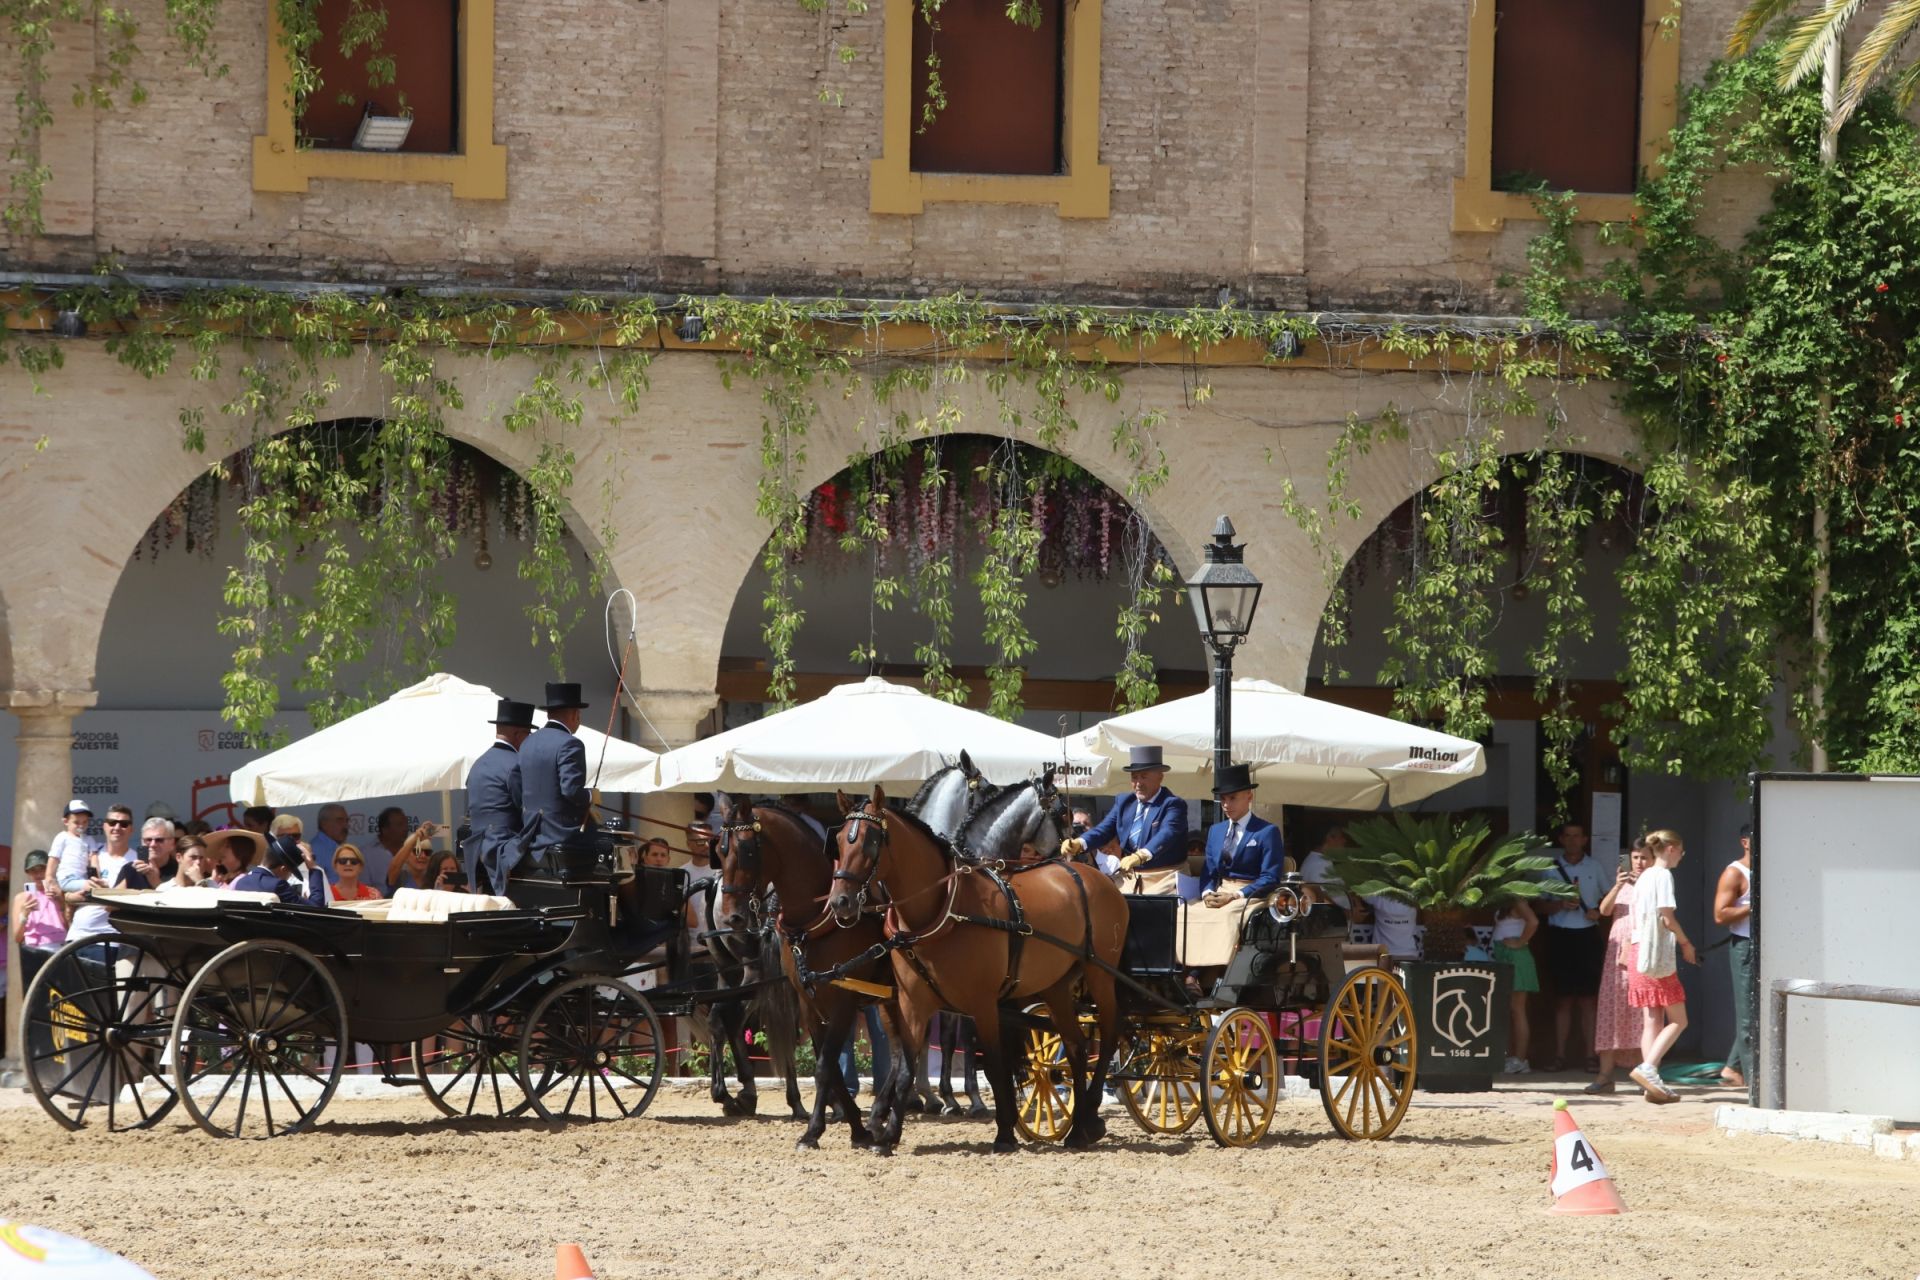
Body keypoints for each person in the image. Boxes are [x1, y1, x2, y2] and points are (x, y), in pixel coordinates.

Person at [1627, 829, 1697, 1104]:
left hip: (1637, 950)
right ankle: (1648, 1068)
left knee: (1652, 1019)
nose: (1681, 856)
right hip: (1656, 954)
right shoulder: (1663, 875)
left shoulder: (1644, 878)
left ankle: (1650, 1083)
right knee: (1679, 1019)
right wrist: (1686, 943)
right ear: (1671, 848)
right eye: (1681, 851)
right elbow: (1666, 917)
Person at [1061, 745, 1188, 894]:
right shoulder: (1124, 802)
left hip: (1165, 877)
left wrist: (1142, 855)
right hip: (1130, 877)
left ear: (1160, 777)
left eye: (1144, 776)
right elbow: (1104, 830)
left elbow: (1167, 834)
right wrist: (1080, 843)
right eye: (1134, 777)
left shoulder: (1172, 804)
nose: (1138, 783)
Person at [1540, 821, 1609, 1071]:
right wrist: (1559, 904)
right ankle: (1559, 1056)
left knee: (1588, 1000)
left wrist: (1598, 913)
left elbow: (1609, 898)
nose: (1572, 840)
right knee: (1563, 1000)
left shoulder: (1594, 866)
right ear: (1561, 839)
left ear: (1584, 839)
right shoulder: (1550, 869)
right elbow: (1539, 905)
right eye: (1567, 836)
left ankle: (1591, 1056)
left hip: (1587, 936)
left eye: (1576, 836)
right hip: (1560, 936)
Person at [1587, 838, 1651, 1094]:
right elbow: (1604, 910)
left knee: (1641, 1013)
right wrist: (1617, 885)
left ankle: (1642, 1075)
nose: (1638, 862)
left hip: (1641, 952)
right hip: (1616, 956)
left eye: (1644, 857)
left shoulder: (1654, 883)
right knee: (1611, 1011)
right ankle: (1605, 1076)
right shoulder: (1622, 886)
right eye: (1635, 857)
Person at [518, 681, 596, 872]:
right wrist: (592, 795)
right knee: (604, 843)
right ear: (574, 714)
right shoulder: (571, 744)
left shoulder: (528, 742)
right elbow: (571, 791)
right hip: (562, 835)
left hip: (531, 834)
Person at [463, 697, 534, 892]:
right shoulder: (515, 765)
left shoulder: (477, 765)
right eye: (529, 733)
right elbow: (527, 808)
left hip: (476, 852)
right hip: (505, 852)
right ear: (519, 734)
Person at [1199, 764, 1286, 906]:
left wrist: (1236, 895)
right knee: (1185, 916)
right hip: (1220, 893)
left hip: (1251, 897)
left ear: (1249, 797)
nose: (1226, 804)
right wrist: (1207, 893)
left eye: (1232, 798)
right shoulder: (1215, 831)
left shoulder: (1267, 832)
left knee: (1226, 919)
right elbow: (1209, 871)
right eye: (1223, 799)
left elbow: (1270, 877)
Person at [57, 802, 137, 942]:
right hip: (76, 937)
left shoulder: (137, 861)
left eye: (124, 824)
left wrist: (105, 893)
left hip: (110, 939)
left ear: (131, 829)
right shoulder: (89, 851)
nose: (117, 827)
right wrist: (69, 897)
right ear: (104, 826)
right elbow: (68, 883)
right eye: (112, 822)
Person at [1713, 824, 1755, 1089]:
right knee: (1748, 1016)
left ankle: (1733, 1067)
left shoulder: (1767, 868)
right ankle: (1754, 1083)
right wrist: (1753, 905)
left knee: (1759, 1011)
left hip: (1765, 945)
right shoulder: (1734, 873)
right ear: (1745, 842)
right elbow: (1720, 914)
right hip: (1745, 945)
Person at [1494, 898, 1540, 1074]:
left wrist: (1520, 942)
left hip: (1516, 957)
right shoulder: (1503, 898)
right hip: (1503, 954)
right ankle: (1511, 1056)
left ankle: (1521, 1060)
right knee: (1509, 1009)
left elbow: (1533, 921)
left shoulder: (1517, 899)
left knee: (1518, 1009)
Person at [12, 850, 68, 990]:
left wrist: (60, 903)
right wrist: (24, 914)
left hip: (59, 948)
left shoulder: (60, 892)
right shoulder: (21, 898)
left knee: (60, 993)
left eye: (42, 869)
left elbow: (70, 927)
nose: (37, 874)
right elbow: (17, 937)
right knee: (37, 995)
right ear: (28, 873)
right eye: (33, 870)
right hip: (33, 951)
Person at [231, 833, 327, 906]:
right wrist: (313, 868)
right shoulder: (278, 885)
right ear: (283, 869)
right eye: (290, 872)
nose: (289, 877)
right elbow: (315, 907)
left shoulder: (241, 882)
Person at [1298, 825, 1354, 910]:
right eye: (1341, 837)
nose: (1344, 841)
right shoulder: (1320, 865)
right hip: (1335, 920)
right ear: (1330, 837)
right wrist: (1348, 915)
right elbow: (1322, 899)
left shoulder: (1316, 860)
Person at [115, 817, 180, 889]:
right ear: (142, 842)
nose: (152, 844)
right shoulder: (130, 869)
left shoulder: (180, 870)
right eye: (148, 840)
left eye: (159, 840)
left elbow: (177, 899)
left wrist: (155, 881)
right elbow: (113, 897)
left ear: (172, 843)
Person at [384, 821, 440, 893]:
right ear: (406, 856)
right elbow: (394, 867)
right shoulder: (399, 877)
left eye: (427, 852)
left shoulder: (433, 879)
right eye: (417, 851)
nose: (423, 856)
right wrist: (416, 837)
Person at [368, 806, 411, 887]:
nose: (405, 828)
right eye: (400, 824)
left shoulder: (413, 852)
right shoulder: (366, 855)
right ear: (385, 830)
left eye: (406, 824)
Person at [311, 804, 351, 880]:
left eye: (347, 821)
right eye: (340, 820)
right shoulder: (315, 851)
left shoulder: (337, 848)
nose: (346, 826)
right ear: (324, 824)